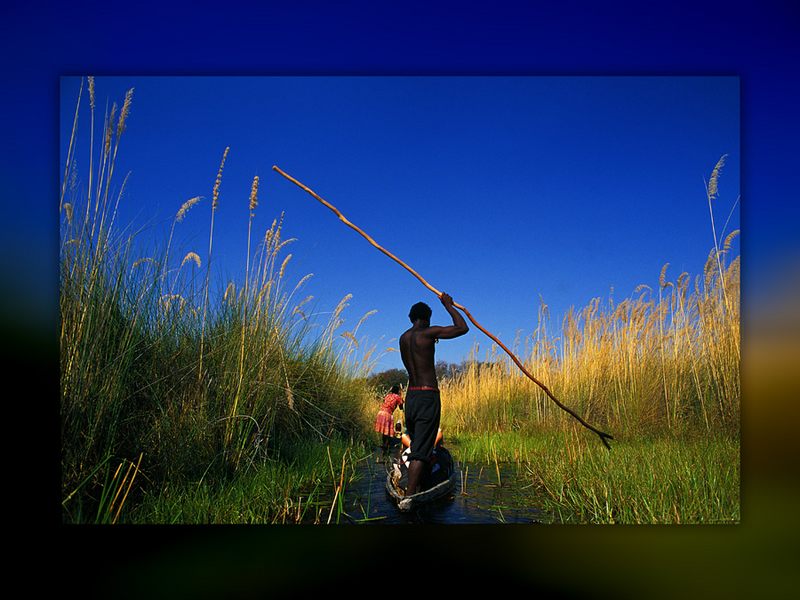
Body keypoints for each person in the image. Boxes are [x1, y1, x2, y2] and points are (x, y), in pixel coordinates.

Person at [399, 293, 468, 496]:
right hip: (427, 395)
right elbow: (462, 328)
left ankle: (419, 483)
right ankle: (411, 495)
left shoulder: (403, 338)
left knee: (418, 442)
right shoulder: (428, 333)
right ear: (427, 318)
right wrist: (448, 306)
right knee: (421, 449)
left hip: (411, 397)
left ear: (411, 318)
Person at [374, 384, 403, 459]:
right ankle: (385, 450)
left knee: (384, 432)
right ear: (397, 391)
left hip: (380, 413)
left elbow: (385, 402)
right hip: (387, 414)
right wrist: (401, 398)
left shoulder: (388, 395)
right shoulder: (397, 397)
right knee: (388, 433)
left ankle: (384, 446)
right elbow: (401, 407)